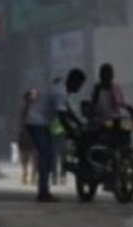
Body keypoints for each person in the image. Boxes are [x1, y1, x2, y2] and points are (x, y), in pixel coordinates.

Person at [34, 68, 87, 202]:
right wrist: (73, 132)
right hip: (38, 123)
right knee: (46, 157)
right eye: (79, 84)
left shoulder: (61, 89)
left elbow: (67, 110)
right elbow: (62, 116)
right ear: (73, 81)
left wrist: (79, 123)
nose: (79, 88)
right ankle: (43, 192)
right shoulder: (61, 92)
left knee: (48, 156)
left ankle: (43, 190)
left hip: (40, 122)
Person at [17, 89, 38, 185]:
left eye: (35, 95)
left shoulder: (37, 108)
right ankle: (25, 173)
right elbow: (21, 122)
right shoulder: (24, 108)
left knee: (34, 156)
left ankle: (32, 175)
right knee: (25, 155)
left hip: (34, 134)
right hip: (26, 134)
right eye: (32, 95)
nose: (34, 97)